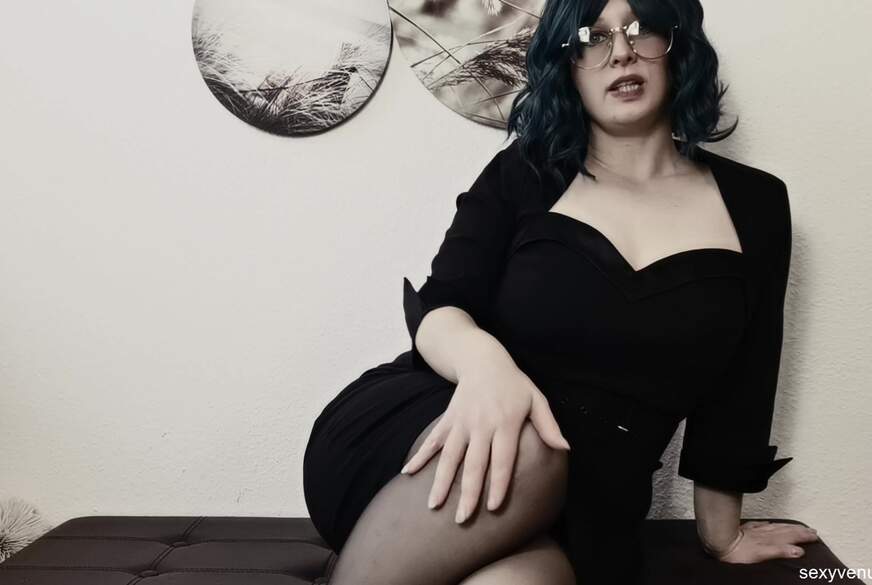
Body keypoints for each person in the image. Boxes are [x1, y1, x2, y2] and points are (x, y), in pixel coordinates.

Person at [303, 0, 819, 583]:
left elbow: (743, 385)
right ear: (567, 66)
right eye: (591, 37)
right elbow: (442, 306)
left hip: (592, 499)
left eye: (642, 29)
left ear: (679, 46)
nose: (620, 52)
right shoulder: (525, 173)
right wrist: (490, 372)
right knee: (529, 443)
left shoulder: (755, 205)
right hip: (431, 433)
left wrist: (721, 534)